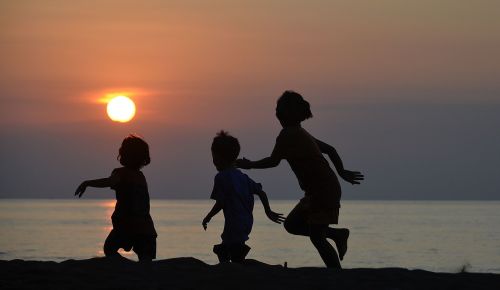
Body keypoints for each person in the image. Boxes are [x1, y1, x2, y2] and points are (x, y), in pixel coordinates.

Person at [236, 91, 364, 269]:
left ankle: (336, 274)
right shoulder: (300, 132)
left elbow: (273, 161)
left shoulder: (289, 134)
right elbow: (331, 150)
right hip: (318, 190)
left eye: (279, 110)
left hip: (323, 189)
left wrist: (249, 165)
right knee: (292, 224)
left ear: (286, 114)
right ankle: (336, 235)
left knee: (317, 238)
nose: (277, 114)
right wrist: (341, 172)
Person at [202, 131, 285, 263]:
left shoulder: (221, 177)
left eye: (214, 157)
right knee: (232, 245)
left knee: (230, 249)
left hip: (234, 222)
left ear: (219, 158)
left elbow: (221, 202)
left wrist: (208, 216)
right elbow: (261, 193)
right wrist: (268, 211)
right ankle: (233, 262)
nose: (214, 161)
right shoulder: (243, 177)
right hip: (246, 222)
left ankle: (230, 267)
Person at [75, 135, 157, 262]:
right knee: (145, 260)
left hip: (126, 226)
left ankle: (126, 267)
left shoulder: (121, 173)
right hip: (146, 228)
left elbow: (108, 182)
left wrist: (88, 183)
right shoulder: (141, 177)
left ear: (124, 155)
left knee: (109, 249)